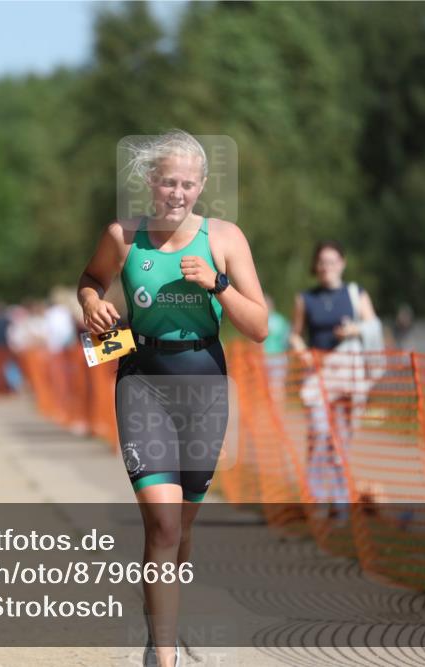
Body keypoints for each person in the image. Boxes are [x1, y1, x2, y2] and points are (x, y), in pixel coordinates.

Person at [78, 130, 267, 667]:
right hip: (141, 379)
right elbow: (90, 279)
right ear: (149, 183)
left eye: (187, 184)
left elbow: (257, 326)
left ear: (202, 185)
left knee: (182, 526)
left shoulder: (225, 238)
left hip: (204, 384)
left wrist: (218, 284)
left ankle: (167, 621)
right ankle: (164, 655)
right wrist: (92, 302)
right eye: (168, 183)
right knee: (160, 523)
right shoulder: (123, 235)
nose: (177, 193)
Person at [288, 241, 380, 521]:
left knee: (339, 442)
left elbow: (373, 324)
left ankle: (340, 504)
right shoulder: (305, 298)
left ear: (342, 263)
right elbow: (295, 334)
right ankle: (315, 498)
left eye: (332, 261)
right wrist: (302, 353)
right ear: (315, 266)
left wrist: (355, 329)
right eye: (322, 262)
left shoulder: (355, 294)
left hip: (348, 374)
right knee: (319, 434)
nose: (327, 267)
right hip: (319, 375)